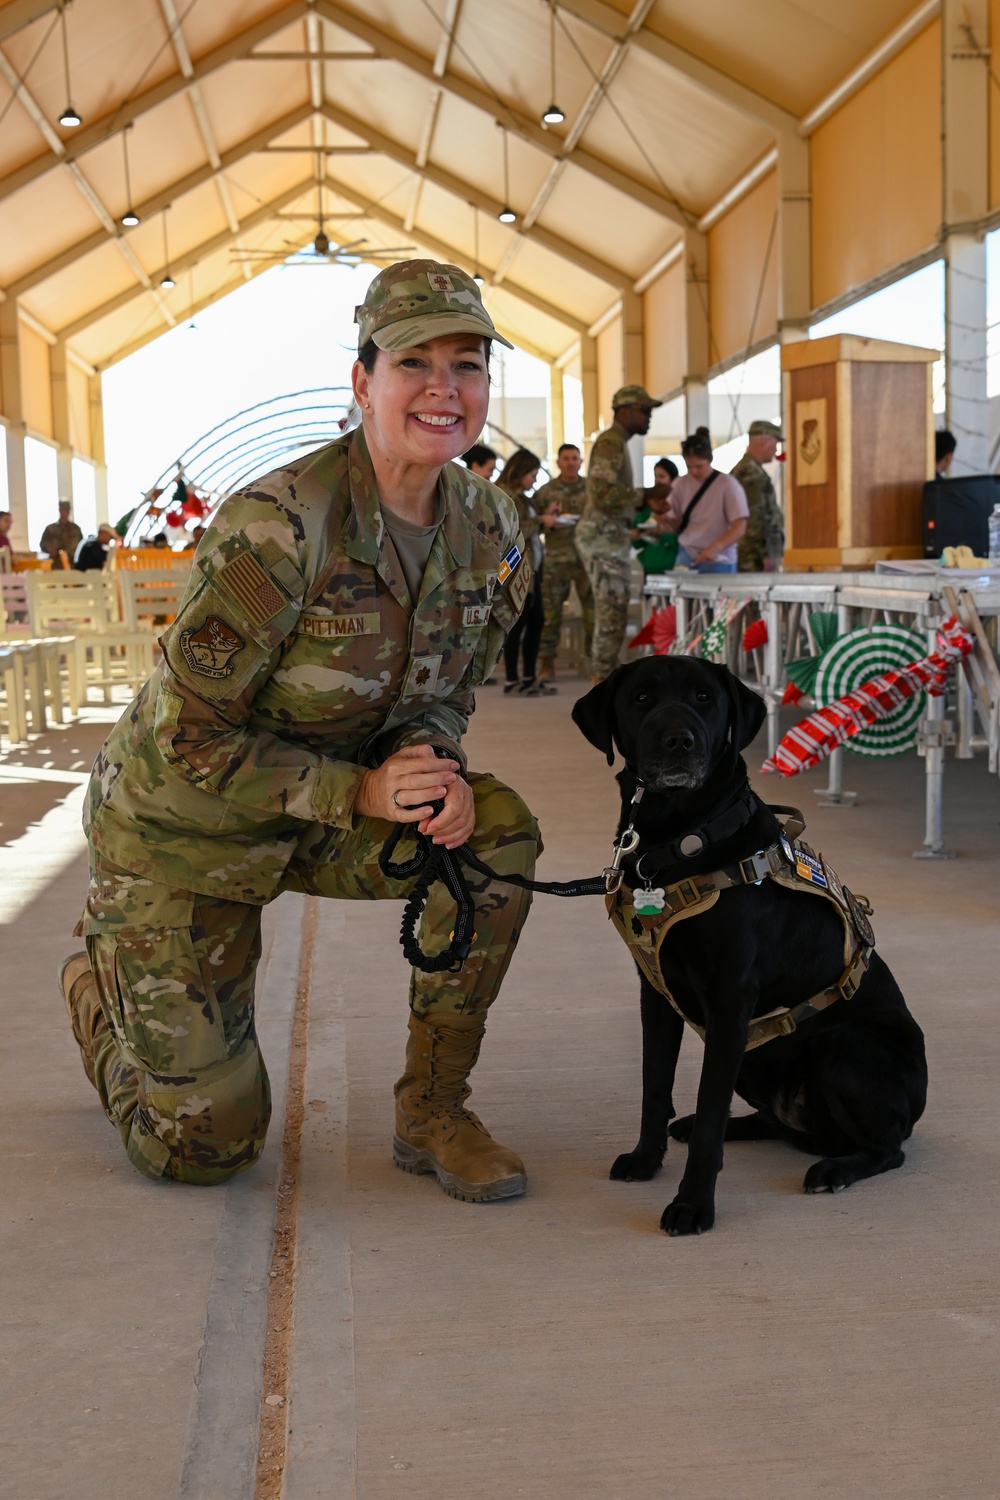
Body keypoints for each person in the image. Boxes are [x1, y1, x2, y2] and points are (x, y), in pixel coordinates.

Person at [58, 259, 541, 1204]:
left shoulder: (499, 531)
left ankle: (434, 1109)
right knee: (204, 1149)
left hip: (326, 813)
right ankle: (97, 987)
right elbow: (186, 737)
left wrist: (429, 760)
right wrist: (357, 791)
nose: (445, 388)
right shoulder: (277, 528)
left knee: (495, 828)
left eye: (469, 364)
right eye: (415, 362)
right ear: (364, 381)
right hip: (181, 831)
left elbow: (452, 685)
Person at [575, 384, 661, 683]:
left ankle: (605, 677)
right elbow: (600, 493)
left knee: (614, 611)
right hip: (603, 537)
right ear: (624, 411)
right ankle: (602, 681)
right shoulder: (610, 442)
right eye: (645, 410)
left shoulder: (617, 443)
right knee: (611, 614)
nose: (649, 417)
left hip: (610, 536)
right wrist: (644, 494)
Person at [496, 447, 556, 695]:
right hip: (516, 570)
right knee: (518, 625)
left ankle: (528, 677)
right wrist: (542, 521)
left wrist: (545, 518)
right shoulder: (506, 495)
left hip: (532, 569)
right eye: (531, 474)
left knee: (536, 621)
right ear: (519, 471)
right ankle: (513, 678)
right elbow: (514, 532)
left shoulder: (523, 496)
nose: (534, 480)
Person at [532, 442, 594, 681]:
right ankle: (546, 664)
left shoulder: (591, 489)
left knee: (593, 614)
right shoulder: (546, 492)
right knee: (550, 614)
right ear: (558, 462)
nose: (570, 462)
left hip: (587, 560)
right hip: (557, 561)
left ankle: (595, 664)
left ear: (580, 462)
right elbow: (531, 521)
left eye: (574, 458)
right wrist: (546, 518)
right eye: (566, 458)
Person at [667, 427, 748, 574]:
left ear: (709, 460)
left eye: (699, 466)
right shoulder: (680, 484)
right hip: (687, 554)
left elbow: (739, 526)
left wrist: (716, 547)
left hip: (720, 558)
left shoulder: (727, 484)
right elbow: (674, 522)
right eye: (689, 466)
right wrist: (661, 517)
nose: (694, 472)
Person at [731, 420, 784, 573]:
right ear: (764, 441)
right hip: (752, 558)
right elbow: (754, 517)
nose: (776, 450)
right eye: (776, 444)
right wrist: (765, 554)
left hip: (751, 554)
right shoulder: (751, 473)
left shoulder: (748, 469)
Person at [630, 458, 679, 575]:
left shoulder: (679, 506)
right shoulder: (647, 508)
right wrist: (637, 534)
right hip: (650, 566)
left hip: (672, 566)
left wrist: (663, 534)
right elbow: (637, 544)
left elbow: (685, 538)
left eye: (662, 477)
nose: (658, 481)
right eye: (655, 476)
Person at [39, 500, 83, 569]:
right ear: (59, 510)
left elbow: (81, 546)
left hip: (71, 564)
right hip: (55, 564)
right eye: (63, 509)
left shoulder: (76, 529)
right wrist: (49, 549)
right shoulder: (50, 529)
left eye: (67, 509)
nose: (65, 512)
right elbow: (43, 544)